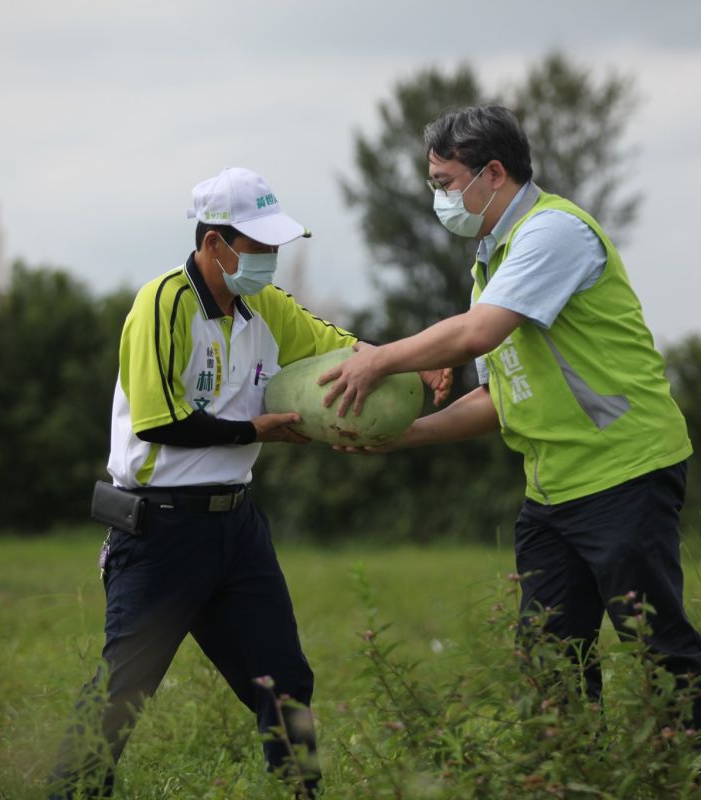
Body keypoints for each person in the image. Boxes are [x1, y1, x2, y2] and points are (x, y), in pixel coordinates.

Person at [320, 106, 701, 761]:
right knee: (550, 661)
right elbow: (497, 398)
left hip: (622, 473)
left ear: (493, 173)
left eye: (444, 181)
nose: (439, 197)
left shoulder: (553, 234)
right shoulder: (492, 263)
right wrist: (403, 435)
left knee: (657, 645)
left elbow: (477, 336)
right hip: (553, 491)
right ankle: (576, 776)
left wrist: (379, 358)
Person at [48, 167, 445, 798]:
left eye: (274, 248)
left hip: (236, 528)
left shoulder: (265, 307)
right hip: (159, 531)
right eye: (257, 248)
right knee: (121, 693)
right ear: (214, 246)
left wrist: (415, 366)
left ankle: (299, 793)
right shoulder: (162, 303)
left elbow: (339, 350)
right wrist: (253, 430)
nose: (269, 261)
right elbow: (159, 421)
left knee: (285, 680)